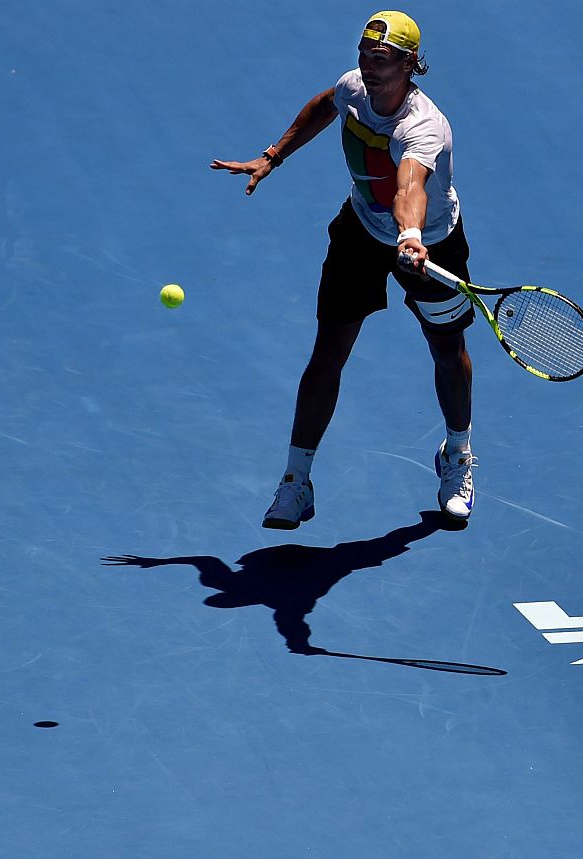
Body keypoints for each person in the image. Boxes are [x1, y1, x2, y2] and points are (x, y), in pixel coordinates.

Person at [211, 10, 477, 528]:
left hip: (432, 242)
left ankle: (458, 455)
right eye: (364, 57)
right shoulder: (354, 88)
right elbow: (323, 106)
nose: (369, 69)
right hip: (358, 232)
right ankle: (296, 481)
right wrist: (273, 155)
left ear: (409, 64)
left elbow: (410, 187)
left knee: (448, 353)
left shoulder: (424, 128)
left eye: (381, 61)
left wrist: (410, 237)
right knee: (327, 352)